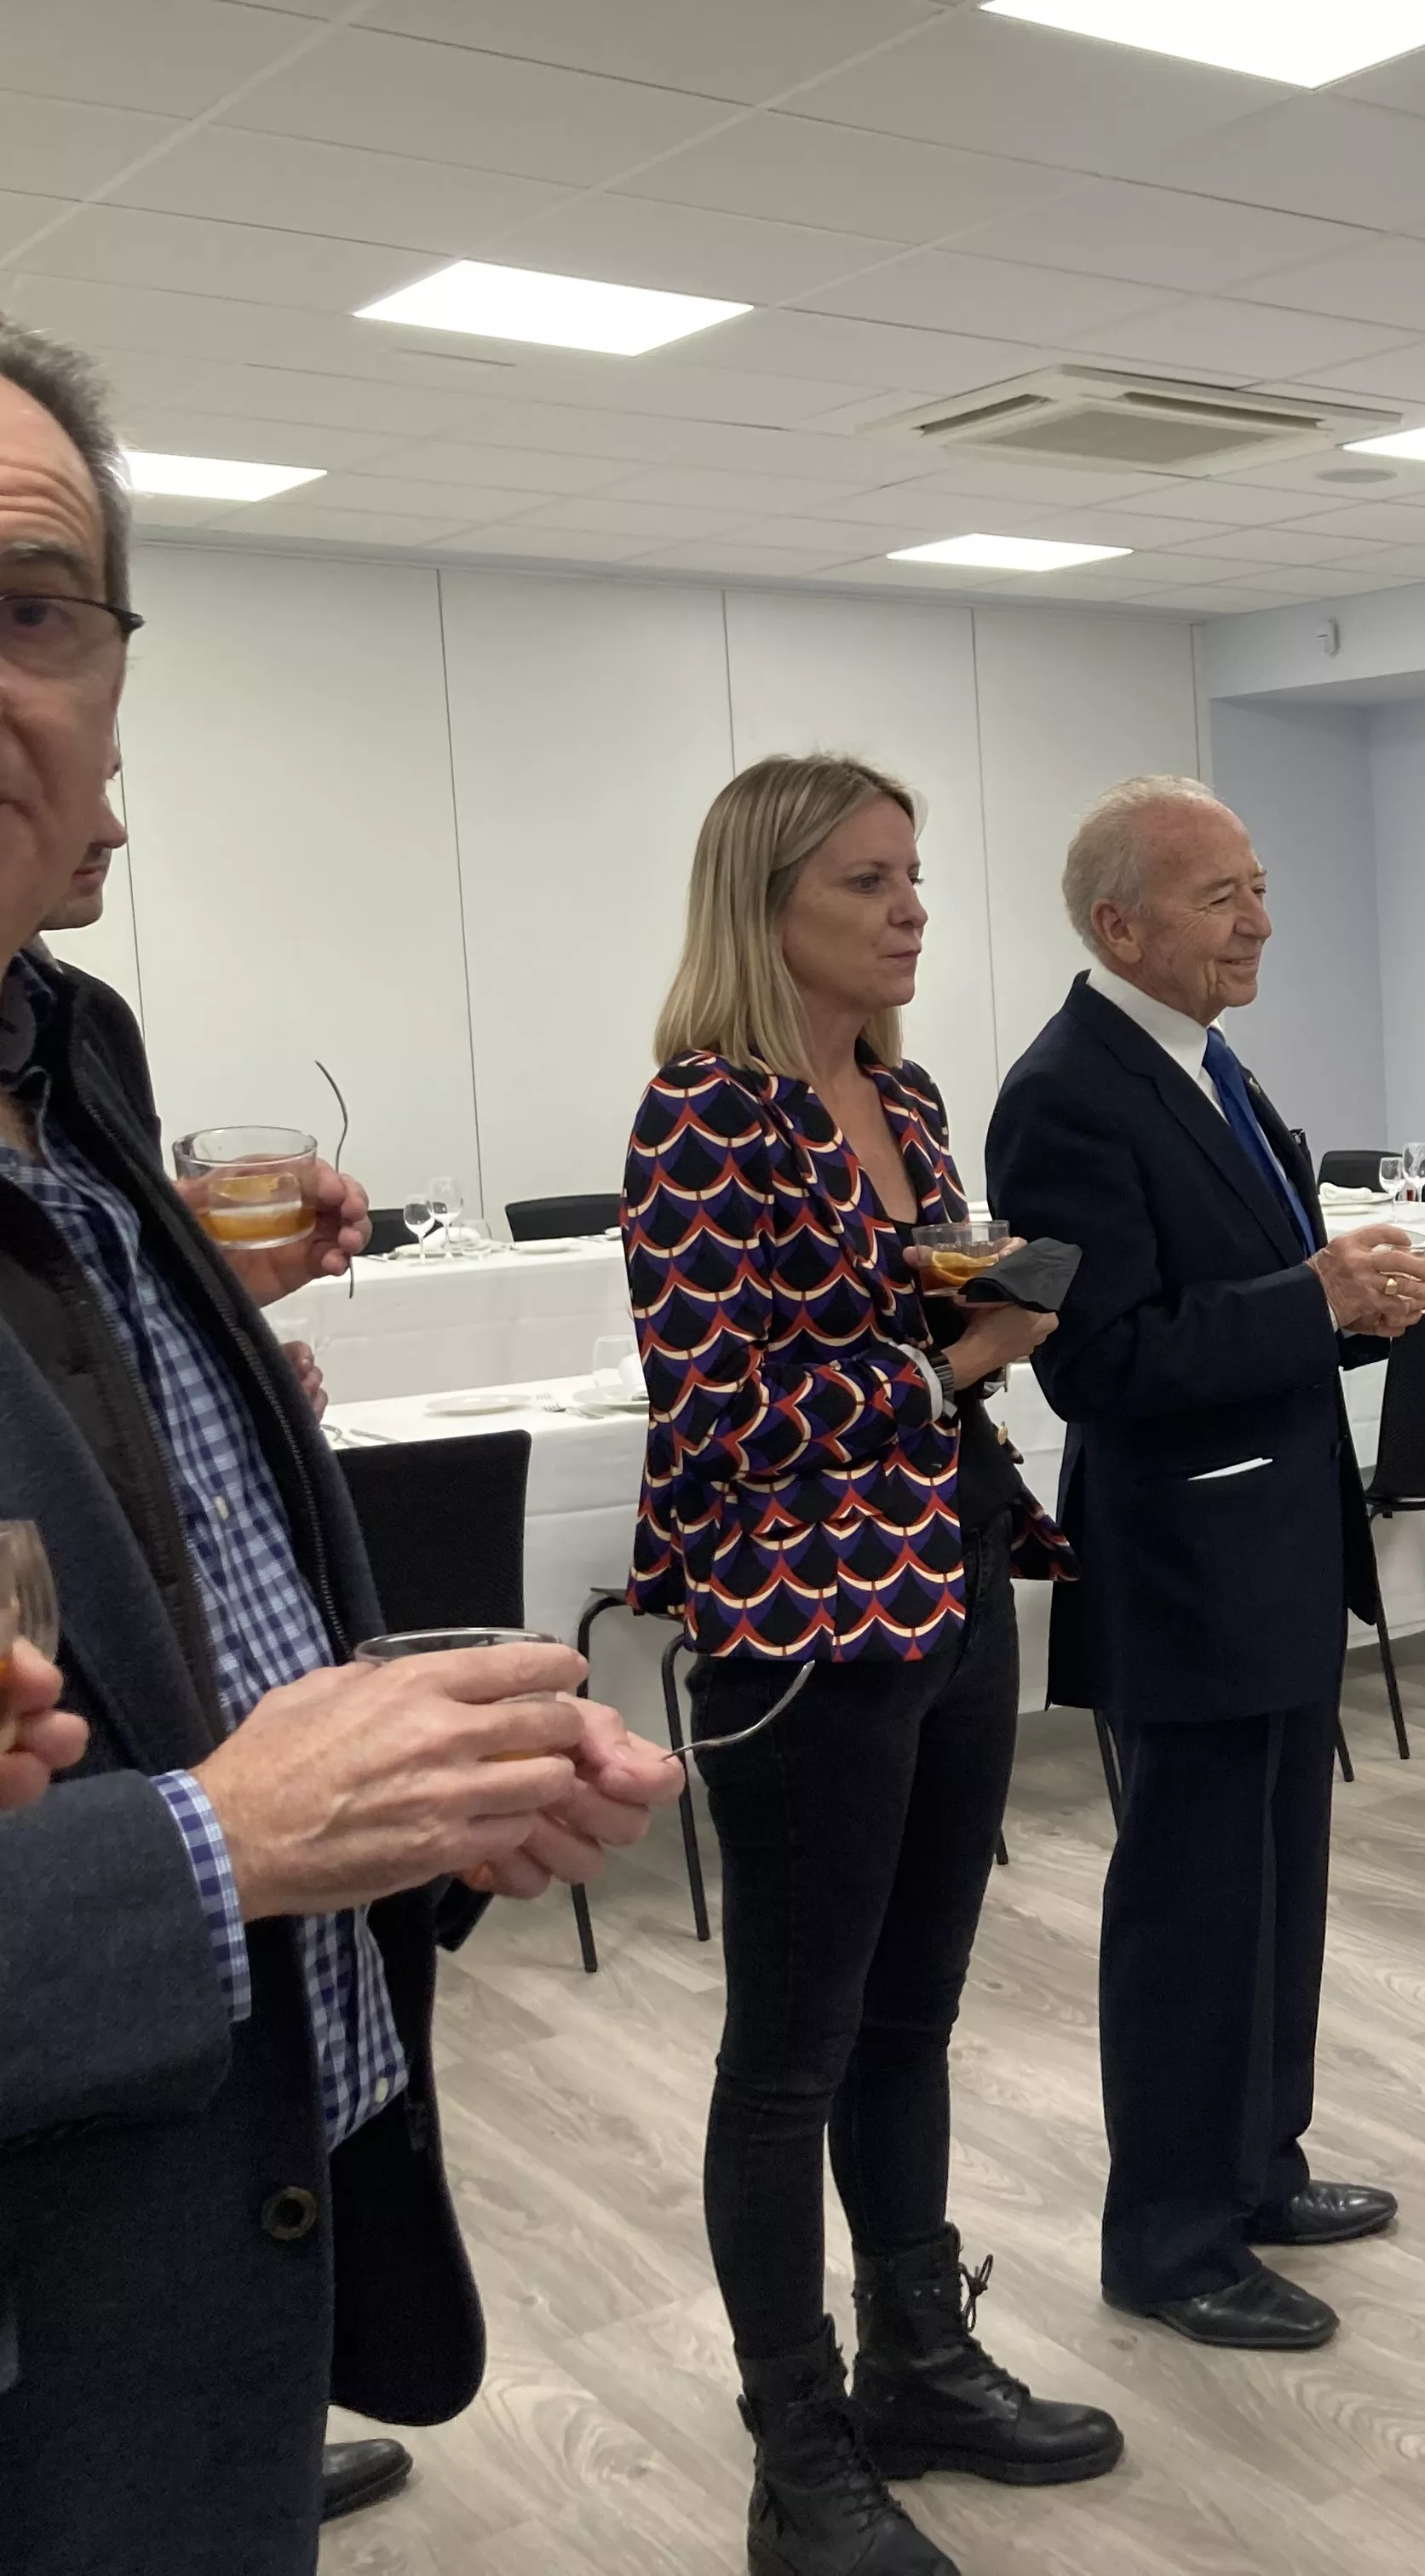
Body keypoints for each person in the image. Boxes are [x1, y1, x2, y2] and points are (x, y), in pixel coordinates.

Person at [0, 312, 681, 2576]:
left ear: (111, 674)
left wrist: (398, 1801)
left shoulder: (80, 1088)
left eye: (25, 612)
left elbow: (174, 1637)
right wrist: (217, 1847)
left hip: (204, 2275)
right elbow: (188, 1805)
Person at [626, 753, 1119, 2576]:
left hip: (950, 1584)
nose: (912, 909)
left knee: (912, 2017)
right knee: (789, 2055)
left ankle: (921, 2357)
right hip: (796, 1628)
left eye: (914, 876)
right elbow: (720, 1411)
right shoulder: (701, 1116)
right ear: (770, 910)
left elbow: (923, 1298)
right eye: (868, 882)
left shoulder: (901, 1096)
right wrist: (951, 1362)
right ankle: (798, 2450)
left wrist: (991, 1304)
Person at [985, 775, 1425, 2353]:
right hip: (1184, 1556)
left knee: (1274, 1882)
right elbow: (1096, 1360)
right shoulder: (1068, 1090)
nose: (1258, 918)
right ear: (1122, 924)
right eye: (1222, 894)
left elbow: (1244, 1298)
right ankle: (1167, 2235)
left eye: (1256, 884)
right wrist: (1312, 1299)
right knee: (1190, 1900)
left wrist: (1342, 1309)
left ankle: (1254, 2164)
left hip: (1277, 1534)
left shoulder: (1202, 1060)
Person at [36, 819, 410, 2528]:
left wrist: (182, 1297)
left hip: (227, 2163)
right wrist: (221, 1840)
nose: (111, 806)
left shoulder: (73, 1042)